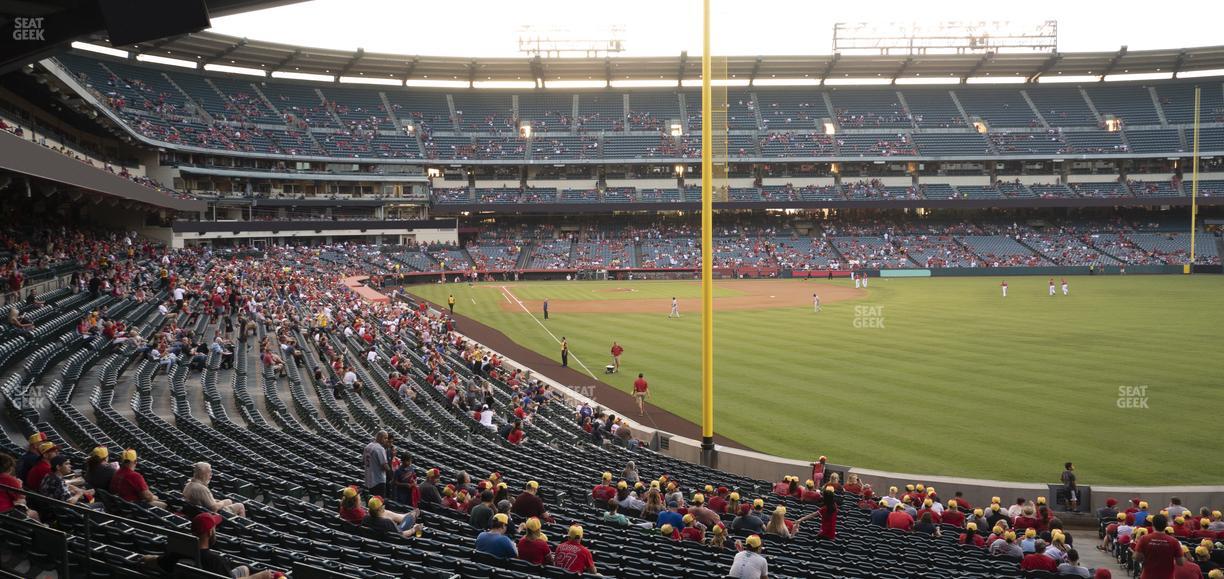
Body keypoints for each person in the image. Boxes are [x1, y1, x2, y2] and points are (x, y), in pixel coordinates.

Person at [145, 513, 277, 578]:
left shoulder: (176, 555)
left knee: (243, 568)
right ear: (209, 532)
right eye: (214, 528)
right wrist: (260, 576)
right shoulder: (214, 561)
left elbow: (151, 561)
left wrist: (146, 558)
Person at [1136, 514, 1185, 579]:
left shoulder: (1144, 539)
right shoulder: (1174, 541)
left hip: (1148, 576)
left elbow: (1137, 557)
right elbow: (1180, 562)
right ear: (1166, 525)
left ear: (1153, 524)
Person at [363, 431, 389, 496]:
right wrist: (392, 473)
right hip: (378, 481)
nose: (386, 440)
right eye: (385, 438)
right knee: (378, 500)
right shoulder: (380, 449)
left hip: (369, 480)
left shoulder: (368, 446)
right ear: (380, 437)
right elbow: (384, 465)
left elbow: (363, 460)